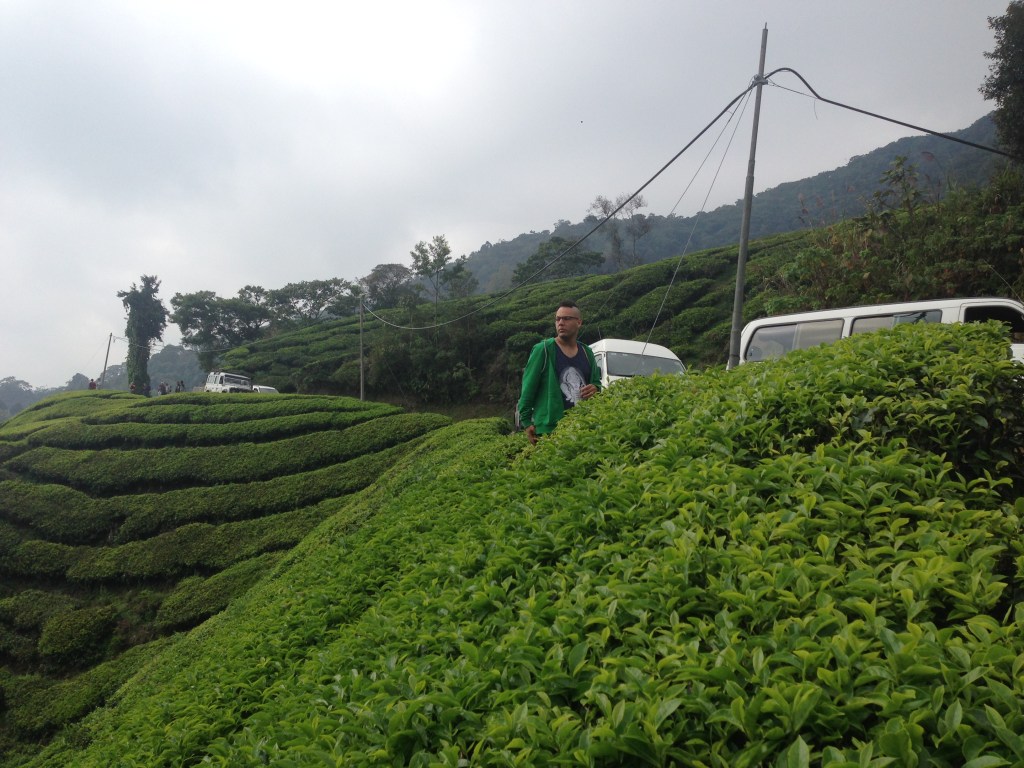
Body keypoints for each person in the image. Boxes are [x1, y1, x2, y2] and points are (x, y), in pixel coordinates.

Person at [517, 300, 601, 445]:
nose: (561, 323)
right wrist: (526, 422)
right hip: (550, 430)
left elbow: (597, 383)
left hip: (582, 428)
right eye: (558, 319)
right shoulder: (543, 350)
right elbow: (528, 388)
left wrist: (596, 388)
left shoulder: (587, 352)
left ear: (579, 322)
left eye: (567, 318)